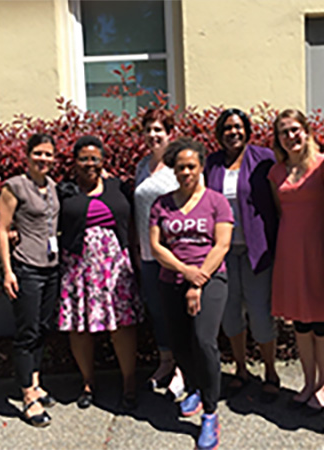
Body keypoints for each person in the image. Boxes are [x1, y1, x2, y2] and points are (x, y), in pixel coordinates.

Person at [149, 137, 233, 450]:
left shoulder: (216, 201)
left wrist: (198, 282)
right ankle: (195, 387)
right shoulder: (162, 204)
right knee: (179, 342)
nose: (185, 172)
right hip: (171, 280)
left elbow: (221, 244)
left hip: (210, 279)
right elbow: (157, 246)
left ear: (201, 167)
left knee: (204, 340)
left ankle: (210, 412)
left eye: (191, 166)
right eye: (180, 167)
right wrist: (185, 273)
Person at [57, 136, 143, 411]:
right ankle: (87, 382)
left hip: (116, 265)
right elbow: (41, 216)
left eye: (95, 158)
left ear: (103, 161)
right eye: (84, 158)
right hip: (78, 265)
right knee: (80, 328)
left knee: (123, 325)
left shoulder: (118, 186)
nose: (90, 164)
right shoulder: (64, 191)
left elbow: (138, 215)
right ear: (74, 162)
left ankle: (129, 381)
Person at [204, 108, 280, 402]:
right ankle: (240, 369)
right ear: (219, 133)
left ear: (247, 130)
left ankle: (271, 371)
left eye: (238, 127)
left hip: (256, 250)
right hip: (222, 252)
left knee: (260, 312)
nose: (233, 132)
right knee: (230, 313)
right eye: (227, 128)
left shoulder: (264, 159)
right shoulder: (211, 163)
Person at [268, 109, 324, 413]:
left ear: (307, 131)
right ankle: (308, 382)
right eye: (284, 132)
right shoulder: (276, 172)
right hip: (290, 252)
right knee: (300, 322)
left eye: (295, 129)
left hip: (320, 249)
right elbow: (281, 212)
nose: (290, 136)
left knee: (321, 320)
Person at [0, 133, 60, 427]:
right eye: (38, 153)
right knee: (27, 332)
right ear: (27, 155)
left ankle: (35, 383)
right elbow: (2, 228)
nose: (43, 159)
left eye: (48, 154)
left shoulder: (54, 187)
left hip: (51, 267)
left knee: (43, 328)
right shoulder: (15, 186)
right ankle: (27, 397)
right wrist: (8, 271)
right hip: (26, 268)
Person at [133, 108, 184, 394]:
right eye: (148, 130)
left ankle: (181, 367)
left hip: (173, 254)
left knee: (175, 310)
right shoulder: (141, 167)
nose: (153, 135)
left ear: (169, 134)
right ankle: (165, 361)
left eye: (158, 130)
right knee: (156, 310)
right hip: (146, 253)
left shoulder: (177, 167)